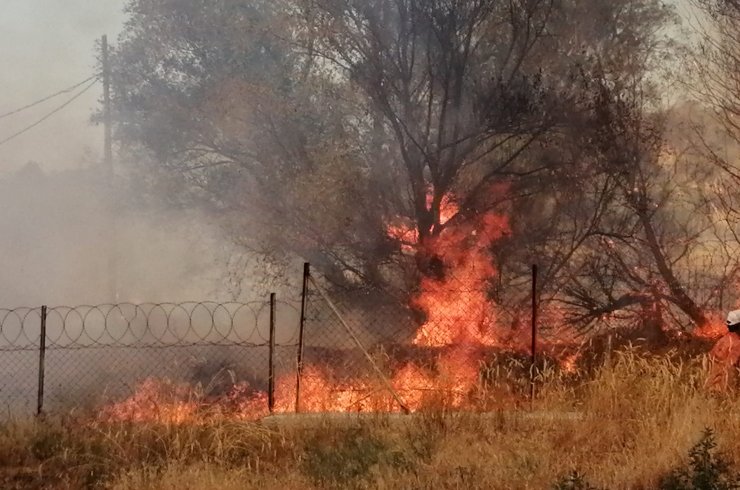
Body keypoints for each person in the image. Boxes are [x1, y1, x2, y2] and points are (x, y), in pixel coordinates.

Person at [706, 310, 740, 392]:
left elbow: (709, 360)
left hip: (710, 387)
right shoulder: (737, 344)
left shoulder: (722, 341)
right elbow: (732, 365)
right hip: (727, 390)